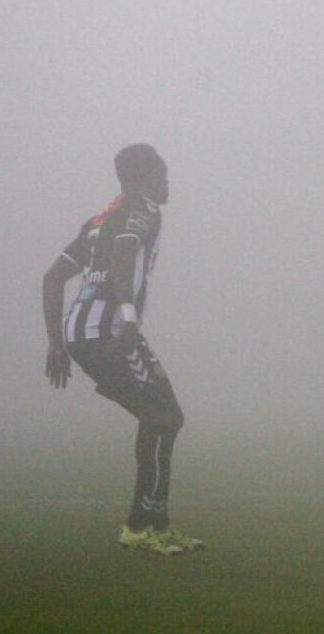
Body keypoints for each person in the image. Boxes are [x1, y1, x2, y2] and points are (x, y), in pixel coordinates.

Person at [41, 144, 204, 555]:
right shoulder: (144, 209)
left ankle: (154, 525)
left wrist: (56, 345)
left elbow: (52, 278)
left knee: (158, 418)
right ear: (143, 179)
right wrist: (129, 317)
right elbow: (123, 251)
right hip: (113, 334)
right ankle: (142, 526)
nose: (166, 185)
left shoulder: (97, 221)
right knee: (165, 417)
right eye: (161, 176)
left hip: (81, 337)